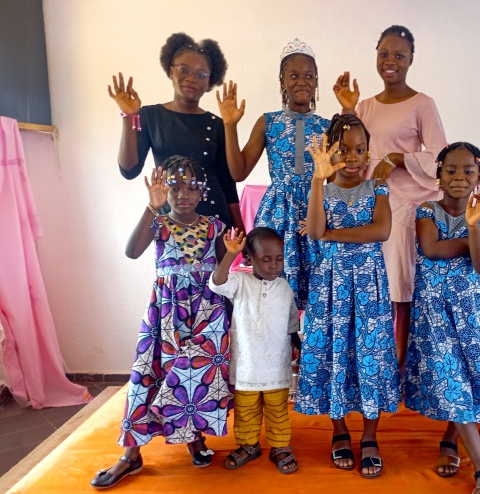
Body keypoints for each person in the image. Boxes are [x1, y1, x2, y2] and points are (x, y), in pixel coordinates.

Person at [91, 156, 232, 489]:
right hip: (165, 314)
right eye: (174, 186)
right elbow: (132, 251)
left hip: (207, 312)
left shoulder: (215, 226)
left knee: (198, 376)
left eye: (190, 187)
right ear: (162, 190)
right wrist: (151, 208)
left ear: (202, 191)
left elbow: (220, 273)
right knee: (149, 373)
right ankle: (131, 454)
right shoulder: (157, 223)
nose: (182, 193)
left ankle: (194, 438)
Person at [333, 25, 447, 372]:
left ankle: (397, 367)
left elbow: (442, 157)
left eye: (399, 54)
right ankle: (369, 361)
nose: (391, 61)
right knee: (369, 286)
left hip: (402, 206)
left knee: (399, 288)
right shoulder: (365, 106)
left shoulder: (422, 104)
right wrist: (348, 110)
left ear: (411, 59)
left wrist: (397, 158)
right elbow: (346, 149)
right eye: (384, 53)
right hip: (368, 206)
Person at [295, 114, 400, 479]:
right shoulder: (321, 188)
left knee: (370, 354)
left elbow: (382, 230)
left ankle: (370, 435)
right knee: (334, 352)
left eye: (360, 150)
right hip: (332, 286)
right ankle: (339, 429)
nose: (353, 158)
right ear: (329, 152)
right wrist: (317, 179)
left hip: (370, 285)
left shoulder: (379, 188)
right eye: (343, 150)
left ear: (368, 153)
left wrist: (331, 235)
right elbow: (313, 232)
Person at [405, 142, 480, 494]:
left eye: (468, 171)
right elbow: (432, 249)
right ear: (439, 175)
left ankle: (451, 437)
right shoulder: (425, 210)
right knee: (450, 378)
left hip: (471, 311)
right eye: (451, 171)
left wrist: (474, 227)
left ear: (479, 176)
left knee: (470, 377)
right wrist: (471, 241)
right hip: (435, 312)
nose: (459, 177)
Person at [217, 38, 330, 309]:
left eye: (308, 76)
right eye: (293, 75)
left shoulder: (328, 125)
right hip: (278, 214)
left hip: (315, 210)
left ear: (316, 81)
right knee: (274, 289)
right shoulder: (267, 122)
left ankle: (309, 348)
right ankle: (279, 347)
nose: (301, 81)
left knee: (318, 287)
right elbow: (238, 171)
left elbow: (341, 177)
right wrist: (230, 126)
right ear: (282, 81)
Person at [108, 32, 242, 230]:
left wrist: (242, 230)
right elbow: (129, 170)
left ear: (209, 82)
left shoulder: (217, 124)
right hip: (170, 220)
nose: (191, 78)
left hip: (215, 222)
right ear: (171, 71)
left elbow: (228, 186)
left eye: (201, 74)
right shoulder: (149, 115)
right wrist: (129, 117)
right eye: (184, 69)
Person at [209, 226, 301, 474]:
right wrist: (231, 254)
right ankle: (249, 445)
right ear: (249, 259)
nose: (274, 265)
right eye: (266, 259)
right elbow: (217, 283)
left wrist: (298, 347)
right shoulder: (240, 282)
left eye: (279, 258)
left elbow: (292, 322)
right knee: (246, 410)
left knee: (278, 409)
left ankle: (280, 446)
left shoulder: (284, 287)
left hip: (276, 364)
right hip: (247, 366)